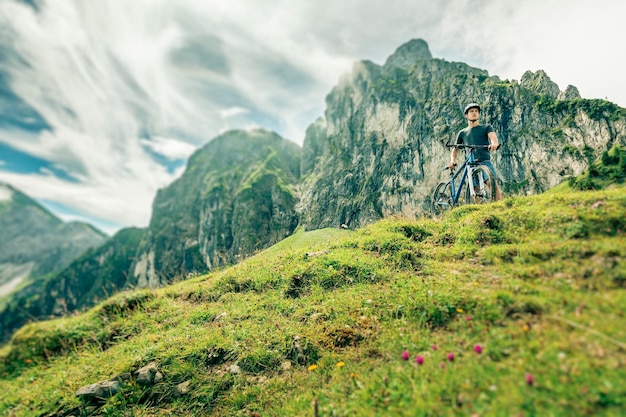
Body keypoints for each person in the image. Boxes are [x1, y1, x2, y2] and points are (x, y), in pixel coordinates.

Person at [448, 103, 502, 201]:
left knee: (491, 182)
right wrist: (453, 160)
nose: (474, 113)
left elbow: (493, 137)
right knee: (474, 188)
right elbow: (455, 149)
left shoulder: (486, 127)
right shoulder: (462, 133)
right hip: (470, 164)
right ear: (466, 115)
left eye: (476, 111)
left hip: (484, 160)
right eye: (471, 111)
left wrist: (494, 143)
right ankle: (479, 210)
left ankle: (500, 206)